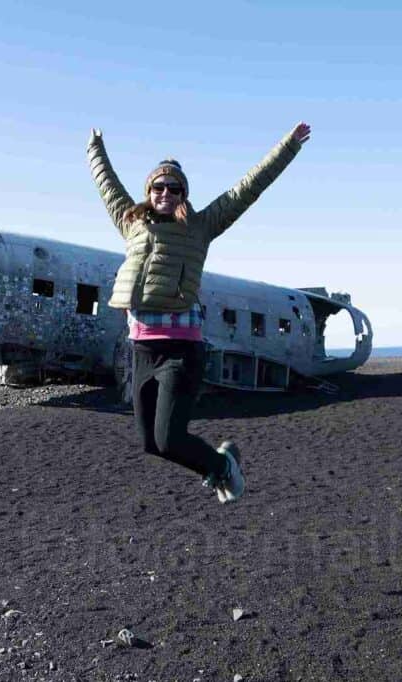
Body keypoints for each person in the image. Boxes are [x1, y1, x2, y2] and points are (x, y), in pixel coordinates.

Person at [87, 121, 311, 504]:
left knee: (169, 438)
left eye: (174, 188)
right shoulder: (131, 222)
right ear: (148, 192)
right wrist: (95, 148)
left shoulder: (201, 227)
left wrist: (288, 146)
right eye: (158, 187)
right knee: (150, 444)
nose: (165, 193)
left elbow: (248, 188)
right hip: (140, 350)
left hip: (180, 350)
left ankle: (222, 468)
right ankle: (220, 464)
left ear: (184, 194)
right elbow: (107, 185)